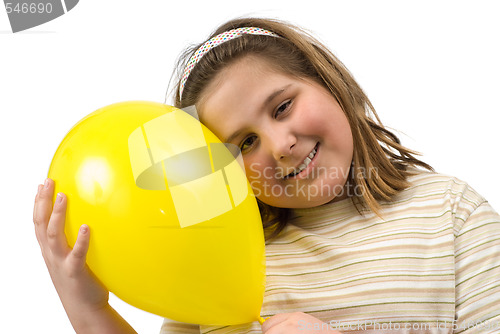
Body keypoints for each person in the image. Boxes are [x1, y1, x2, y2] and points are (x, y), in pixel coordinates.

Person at [33, 17, 500, 334]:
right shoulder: (209, 258)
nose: (280, 146)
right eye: (244, 144)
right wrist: (90, 310)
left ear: (327, 79)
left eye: (282, 107)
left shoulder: (451, 216)